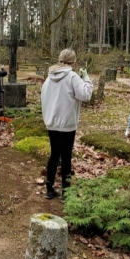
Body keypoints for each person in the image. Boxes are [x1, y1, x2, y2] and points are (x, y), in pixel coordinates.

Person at [41, 49, 93, 200]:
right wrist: (87, 78)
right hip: (67, 124)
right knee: (66, 157)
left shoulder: (49, 78)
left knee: (54, 155)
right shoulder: (72, 77)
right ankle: (66, 193)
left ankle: (49, 188)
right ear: (73, 62)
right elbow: (86, 95)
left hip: (52, 123)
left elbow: (44, 98)